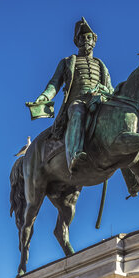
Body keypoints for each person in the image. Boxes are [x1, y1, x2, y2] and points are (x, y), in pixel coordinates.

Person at [34, 17, 114, 173]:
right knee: (78, 112)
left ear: (94, 41)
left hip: (99, 101)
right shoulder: (68, 62)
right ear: (77, 41)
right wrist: (45, 97)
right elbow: (54, 83)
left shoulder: (101, 65)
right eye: (82, 38)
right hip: (77, 102)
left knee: (120, 120)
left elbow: (110, 88)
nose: (86, 40)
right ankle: (74, 155)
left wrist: (108, 92)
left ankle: (132, 175)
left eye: (89, 37)